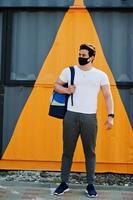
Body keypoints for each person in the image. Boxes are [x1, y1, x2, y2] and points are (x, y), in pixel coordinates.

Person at [53, 44, 114, 197]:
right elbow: (56, 85)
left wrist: (110, 116)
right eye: (79, 54)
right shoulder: (69, 71)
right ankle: (64, 183)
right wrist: (67, 90)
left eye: (84, 55)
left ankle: (90, 185)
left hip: (89, 117)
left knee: (90, 152)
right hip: (71, 116)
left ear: (92, 57)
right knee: (67, 151)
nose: (80, 57)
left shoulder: (100, 75)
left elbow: (108, 96)